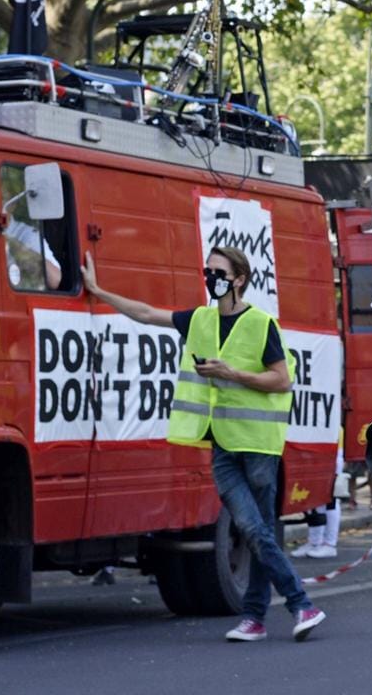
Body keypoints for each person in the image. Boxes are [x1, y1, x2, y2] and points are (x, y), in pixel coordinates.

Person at [82, 247, 326, 642]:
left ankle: (257, 618)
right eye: (207, 271)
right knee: (254, 529)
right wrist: (98, 290)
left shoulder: (261, 324)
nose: (211, 277)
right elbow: (145, 313)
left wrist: (231, 373)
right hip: (221, 444)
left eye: (219, 272)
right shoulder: (200, 319)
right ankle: (300, 604)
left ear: (240, 279)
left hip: (260, 446)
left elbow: (281, 380)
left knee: (257, 532)